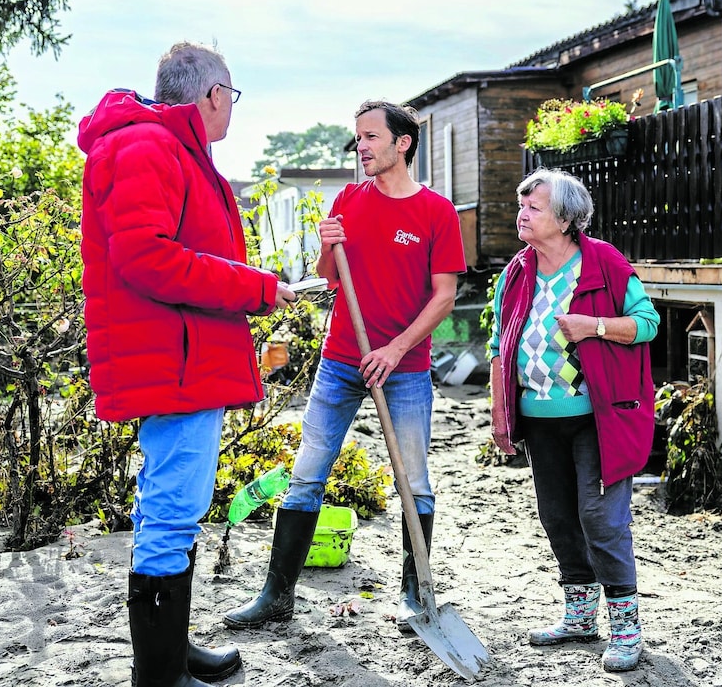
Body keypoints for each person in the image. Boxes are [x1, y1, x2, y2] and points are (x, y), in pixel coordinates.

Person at [77, 41, 295, 687]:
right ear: (212, 94)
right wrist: (255, 286)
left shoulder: (161, 146)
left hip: (180, 355)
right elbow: (145, 257)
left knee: (172, 505)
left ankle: (171, 652)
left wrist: (250, 284)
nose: (231, 108)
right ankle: (160, 672)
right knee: (172, 509)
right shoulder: (150, 146)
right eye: (232, 95)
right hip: (172, 361)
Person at [223, 99, 466, 633]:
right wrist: (328, 246)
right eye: (358, 138)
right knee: (307, 475)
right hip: (341, 360)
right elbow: (329, 276)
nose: (362, 147)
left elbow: (445, 296)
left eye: (371, 137)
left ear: (402, 143)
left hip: (403, 367)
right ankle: (277, 596)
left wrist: (396, 349)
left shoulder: (435, 212)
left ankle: (413, 591)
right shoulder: (349, 199)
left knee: (415, 482)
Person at [488, 168, 660, 673]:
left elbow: (647, 323)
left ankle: (626, 627)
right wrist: (501, 413)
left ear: (564, 219)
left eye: (534, 207)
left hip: (598, 417)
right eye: (521, 205)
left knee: (600, 519)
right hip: (539, 419)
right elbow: (500, 345)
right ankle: (581, 616)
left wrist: (596, 327)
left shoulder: (604, 263)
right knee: (558, 516)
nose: (522, 214)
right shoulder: (517, 272)